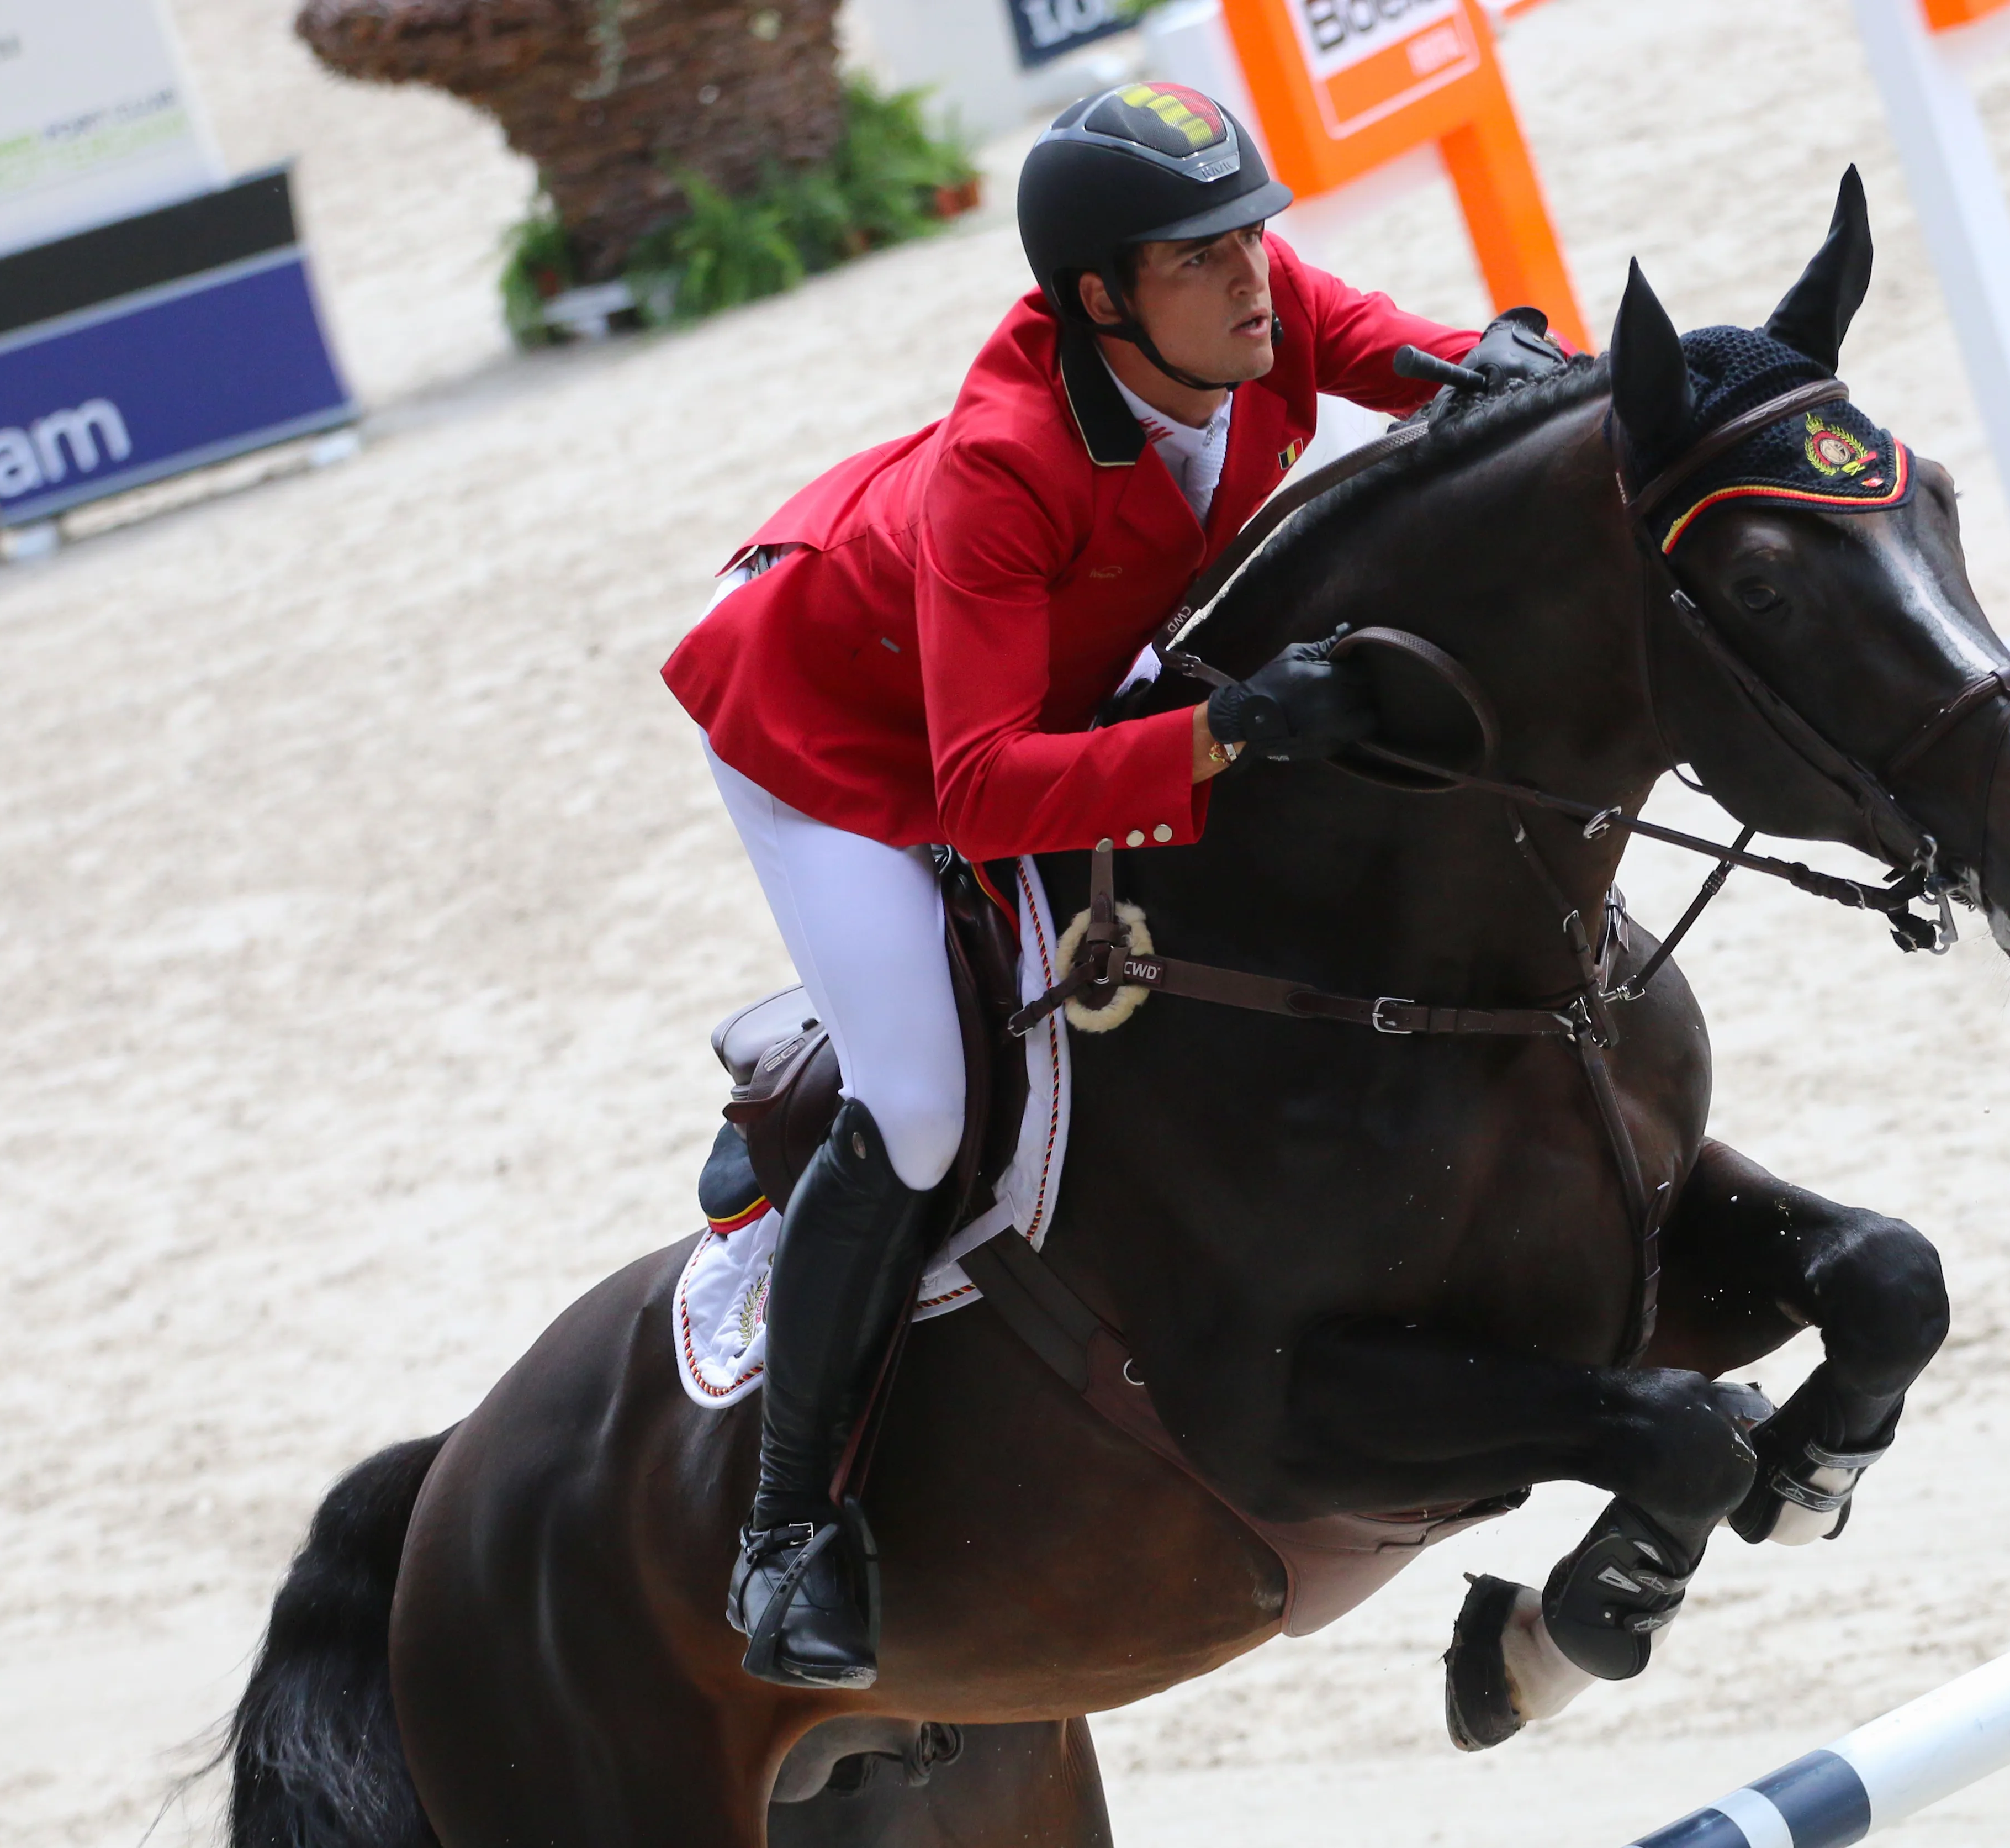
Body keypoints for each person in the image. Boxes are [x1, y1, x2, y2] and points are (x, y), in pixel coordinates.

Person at [660, 79, 1569, 1691]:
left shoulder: (1255, 311)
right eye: (1201, 256)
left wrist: (1506, 369)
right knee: (923, 1108)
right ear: (1100, 301)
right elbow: (978, 788)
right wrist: (1223, 733)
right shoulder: (1005, 466)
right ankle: (788, 1527)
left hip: (1038, 674)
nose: (1253, 276)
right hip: (835, 732)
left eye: (1253, 236)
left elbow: (1412, 355)